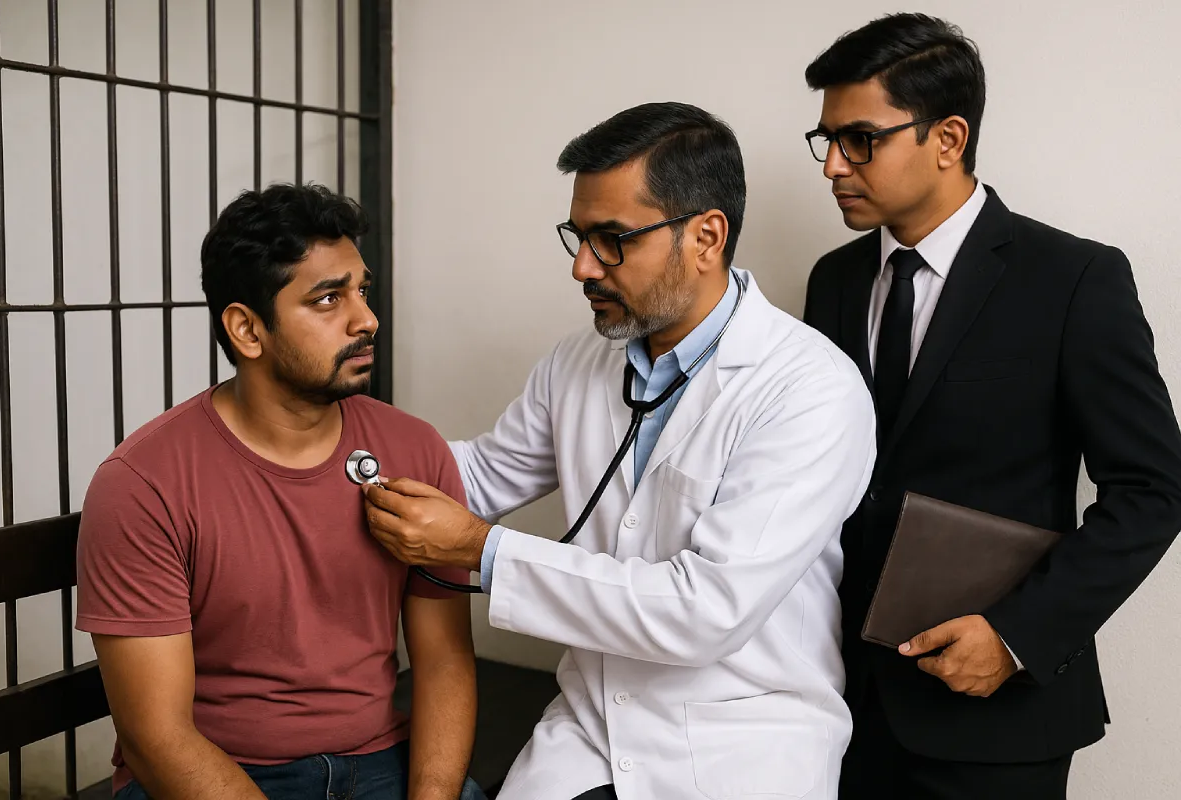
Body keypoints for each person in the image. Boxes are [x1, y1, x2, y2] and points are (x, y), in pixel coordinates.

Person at [356, 102, 877, 800]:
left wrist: (484, 551)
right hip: (591, 727)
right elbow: (474, 476)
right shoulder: (578, 363)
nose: (581, 267)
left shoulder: (809, 389)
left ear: (706, 236)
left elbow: (706, 611)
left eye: (611, 239)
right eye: (577, 235)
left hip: (742, 746)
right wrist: (336, 460)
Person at [800, 13, 1181, 800]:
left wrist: (1015, 638)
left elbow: (1153, 491)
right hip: (836, 705)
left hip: (995, 718)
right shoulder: (833, 280)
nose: (834, 165)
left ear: (947, 138)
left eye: (860, 140)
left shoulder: (1075, 279)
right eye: (827, 140)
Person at [75, 183, 486, 800]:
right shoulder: (143, 484)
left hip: (382, 765)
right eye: (328, 298)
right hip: (213, 774)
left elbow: (445, 663)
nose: (366, 319)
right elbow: (156, 736)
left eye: (361, 290)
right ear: (246, 329)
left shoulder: (414, 450)